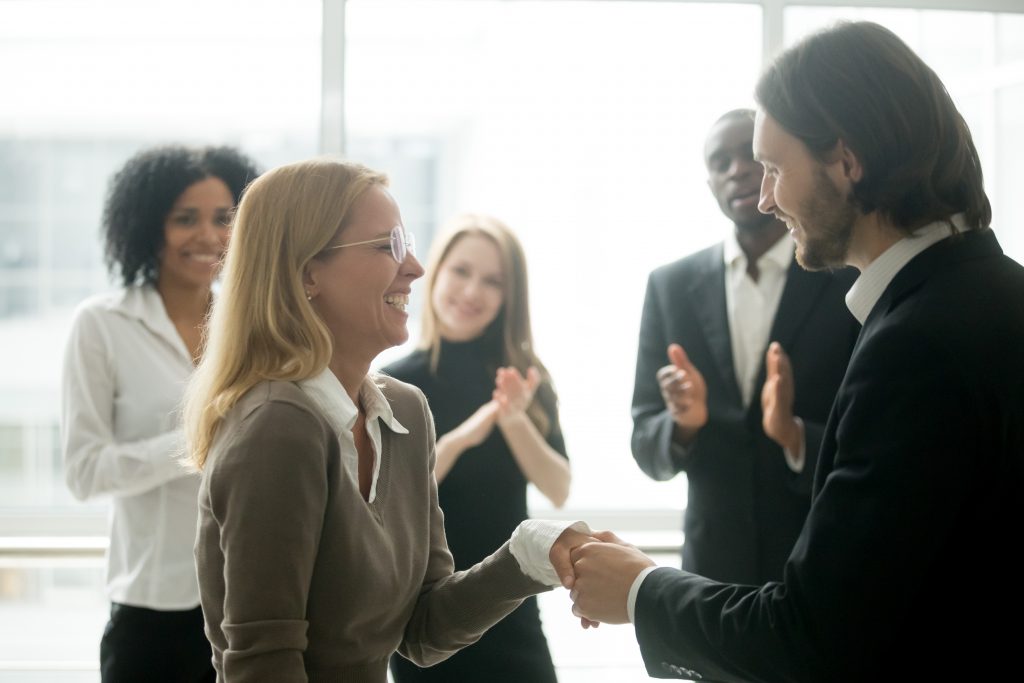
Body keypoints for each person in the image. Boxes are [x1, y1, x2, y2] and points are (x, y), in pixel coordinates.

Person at [562, 21, 1024, 682]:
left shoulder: (917, 344)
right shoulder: (996, 293)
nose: (766, 196)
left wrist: (640, 588)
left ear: (846, 160)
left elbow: (813, 637)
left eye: (775, 167)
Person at [182, 159, 590, 682]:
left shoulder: (405, 411)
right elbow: (264, 666)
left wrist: (531, 552)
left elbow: (423, 629)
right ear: (308, 273)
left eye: (407, 242)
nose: (415, 268)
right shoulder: (276, 426)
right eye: (386, 246)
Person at [631, 109, 859, 585]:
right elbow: (645, 446)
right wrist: (682, 425)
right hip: (711, 579)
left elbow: (871, 437)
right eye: (720, 162)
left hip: (824, 566)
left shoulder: (846, 281)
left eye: (750, 156)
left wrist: (796, 435)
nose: (736, 169)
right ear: (710, 183)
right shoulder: (669, 286)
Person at [60, 145, 259, 682]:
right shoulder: (102, 325)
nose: (209, 236)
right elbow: (85, 472)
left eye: (224, 218)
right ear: (148, 226)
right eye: (185, 219)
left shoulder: (255, 327)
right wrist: (197, 441)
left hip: (252, 603)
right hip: (152, 611)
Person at [385, 214, 570, 683]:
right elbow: (389, 496)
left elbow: (558, 488)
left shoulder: (526, 378)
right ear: (436, 272)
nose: (472, 292)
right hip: (423, 619)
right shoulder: (395, 382)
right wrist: (462, 438)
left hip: (511, 609)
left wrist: (512, 420)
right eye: (461, 272)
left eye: (492, 281)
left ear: (510, 297)